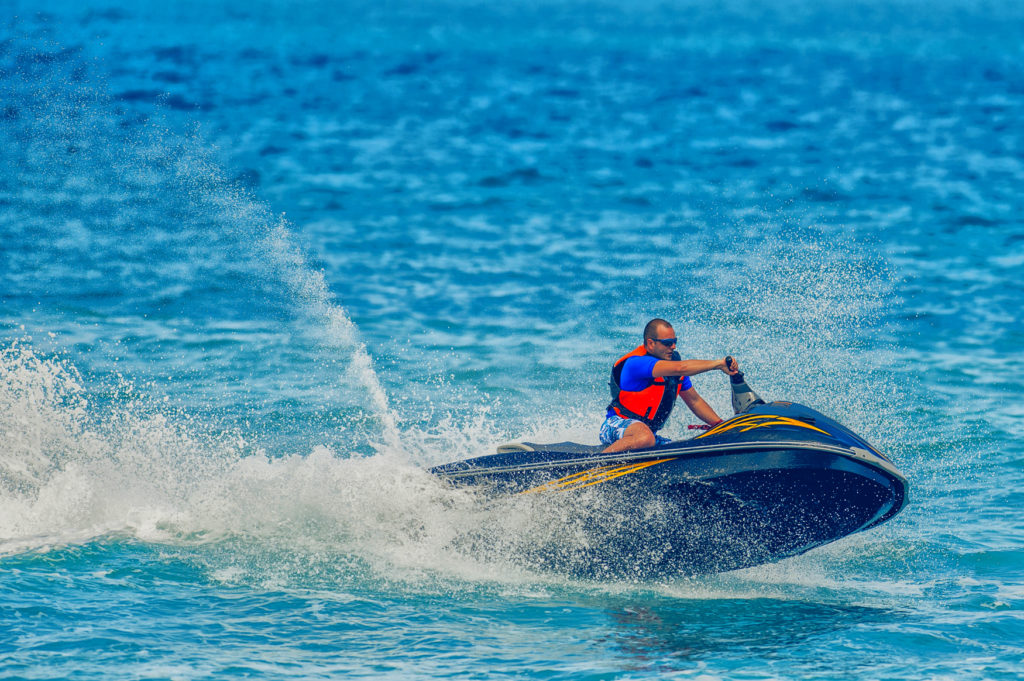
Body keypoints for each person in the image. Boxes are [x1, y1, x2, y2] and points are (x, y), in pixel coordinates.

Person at [600, 318, 739, 453]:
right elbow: (681, 368)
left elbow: (695, 401)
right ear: (650, 343)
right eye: (667, 343)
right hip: (615, 425)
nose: (673, 347)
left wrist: (721, 426)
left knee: (685, 450)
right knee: (645, 437)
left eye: (674, 342)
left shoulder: (673, 372)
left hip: (648, 436)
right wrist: (718, 364)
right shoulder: (636, 363)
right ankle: (596, 466)